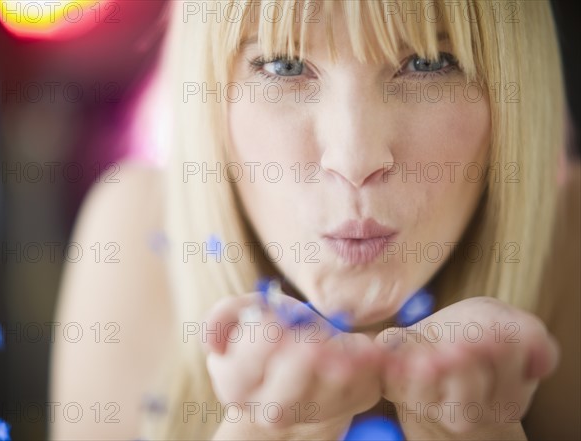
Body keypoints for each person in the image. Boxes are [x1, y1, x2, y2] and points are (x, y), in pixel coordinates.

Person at [49, 1, 580, 440]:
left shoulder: (571, 243)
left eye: (426, 61)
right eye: (282, 64)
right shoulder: (139, 237)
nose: (353, 159)